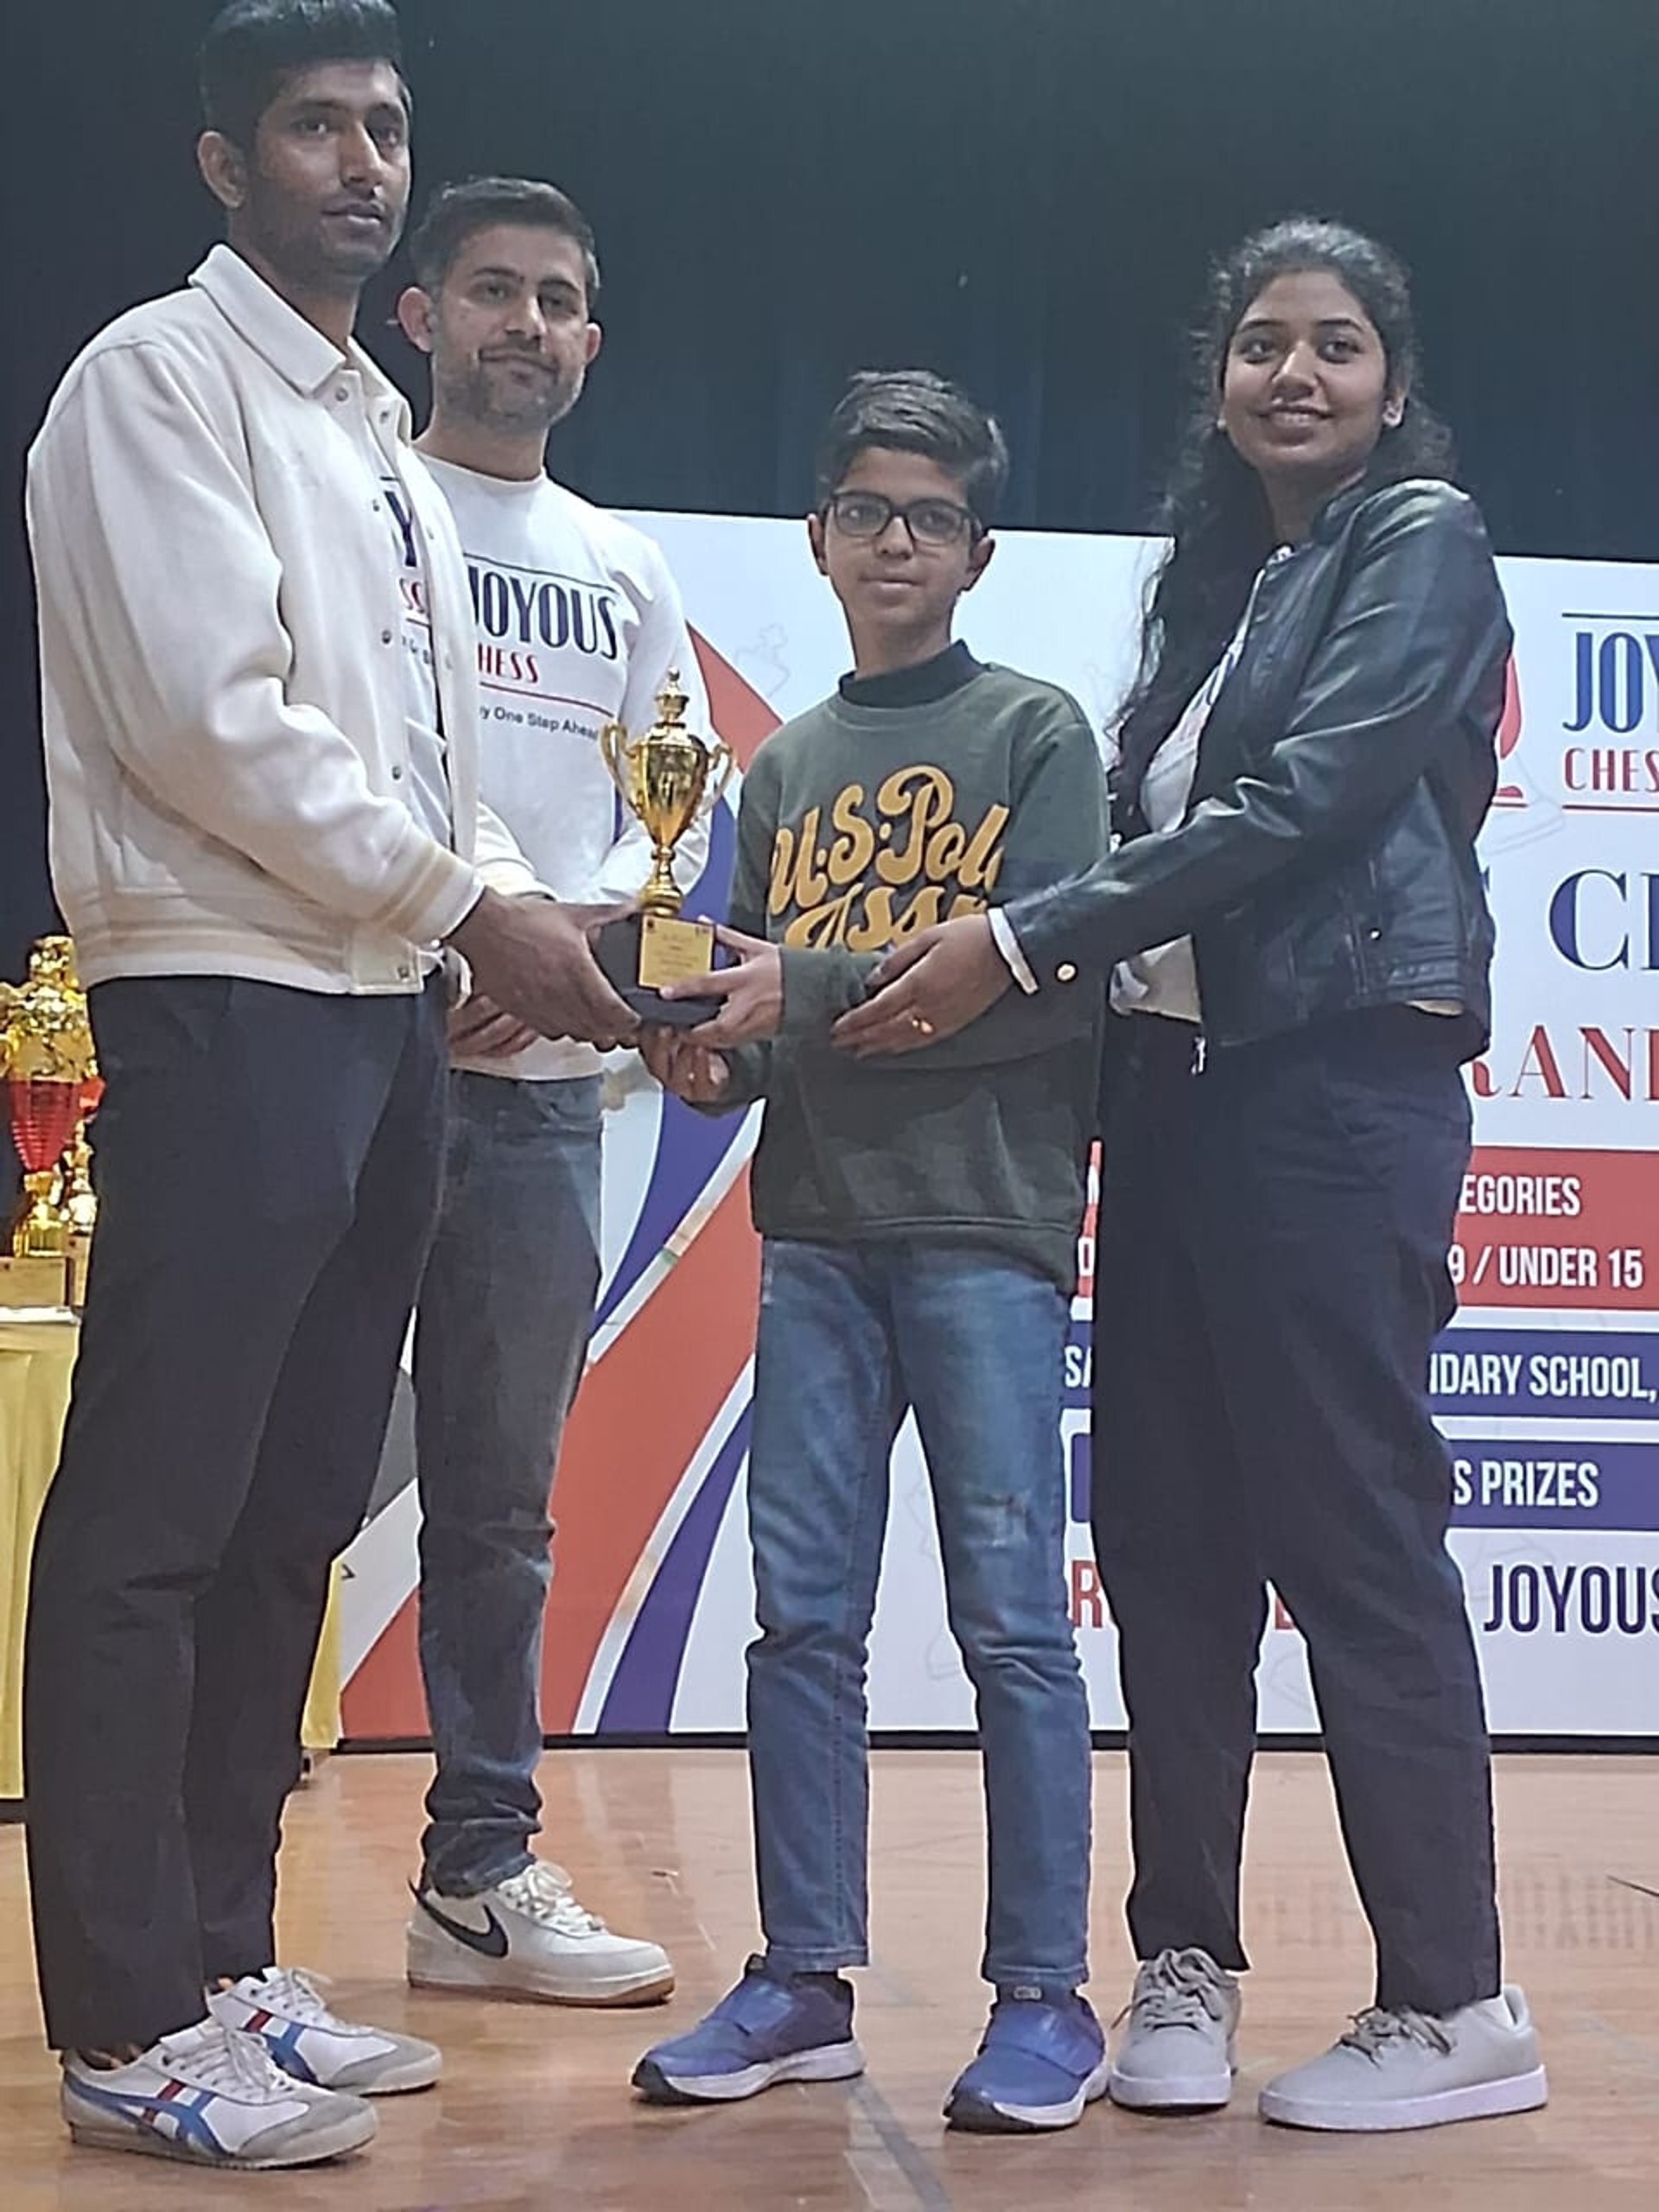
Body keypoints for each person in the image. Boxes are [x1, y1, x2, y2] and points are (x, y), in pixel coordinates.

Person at [836, 219, 1549, 2135]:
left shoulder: (1421, 542)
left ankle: (1455, 1999)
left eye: (1335, 344)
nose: (1293, 374)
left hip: (1333, 1089)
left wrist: (1017, 938)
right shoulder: (1219, 590)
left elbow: (1299, 805)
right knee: (1164, 1548)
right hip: (1172, 1104)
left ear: (1392, 382)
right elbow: (1156, 839)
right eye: (1259, 345)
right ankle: (1186, 1961)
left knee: (1354, 1534)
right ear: (1218, 383)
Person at [22, 0, 634, 2173]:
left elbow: (425, 764)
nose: (363, 162)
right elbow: (211, 724)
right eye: (314, 126)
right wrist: (471, 904)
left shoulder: (376, 423)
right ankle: (123, 2022)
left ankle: (220, 1963)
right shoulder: (152, 380)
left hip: (380, 1008)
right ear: (225, 163)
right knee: (156, 1521)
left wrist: (496, 922)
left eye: (385, 125)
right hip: (225, 989)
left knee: (289, 1518)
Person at [631, 371, 1109, 2133]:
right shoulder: (779, 765)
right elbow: (778, 1022)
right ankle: (802, 1977)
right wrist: (709, 1054)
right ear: (818, 539)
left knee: (1012, 1625)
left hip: (984, 1226)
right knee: (802, 1620)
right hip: (819, 1232)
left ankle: (1045, 1993)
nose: (893, 541)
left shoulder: (1037, 734)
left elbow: (1043, 994)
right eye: (863, 512)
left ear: (977, 551)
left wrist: (801, 996)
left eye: (928, 516)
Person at [392, 175, 702, 2005]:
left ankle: (478, 1872)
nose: (528, 324)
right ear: (419, 315)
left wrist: (578, 967)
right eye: (493, 289)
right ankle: (213, 1886)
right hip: (365, 1038)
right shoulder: (369, 501)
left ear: (591, 339)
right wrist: (469, 942)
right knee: (277, 1471)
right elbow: (353, 754)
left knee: (499, 1501)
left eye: (559, 299)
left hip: (536, 1090)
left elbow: (672, 824)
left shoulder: (624, 566)